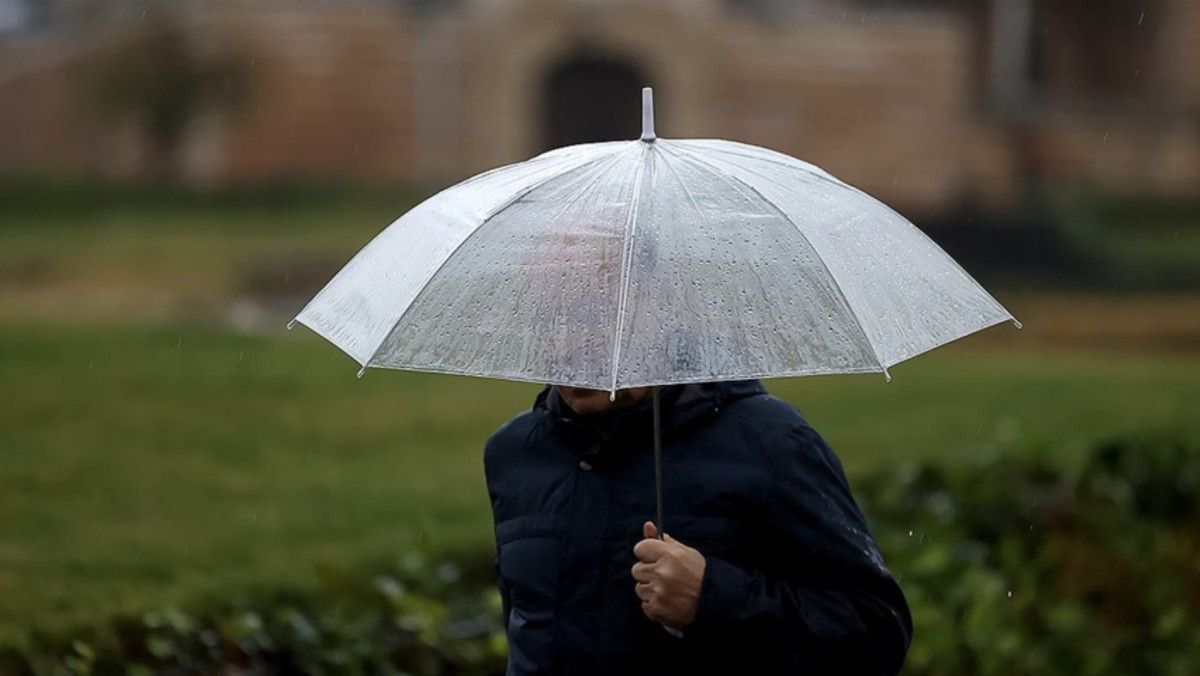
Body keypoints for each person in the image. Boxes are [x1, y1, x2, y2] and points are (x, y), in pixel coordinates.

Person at [483, 380, 912, 675]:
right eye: (555, 321)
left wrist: (713, 597)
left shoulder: (770, 441)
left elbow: (877, 632)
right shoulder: (514, 454)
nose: (571, 347)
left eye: (591, 321)